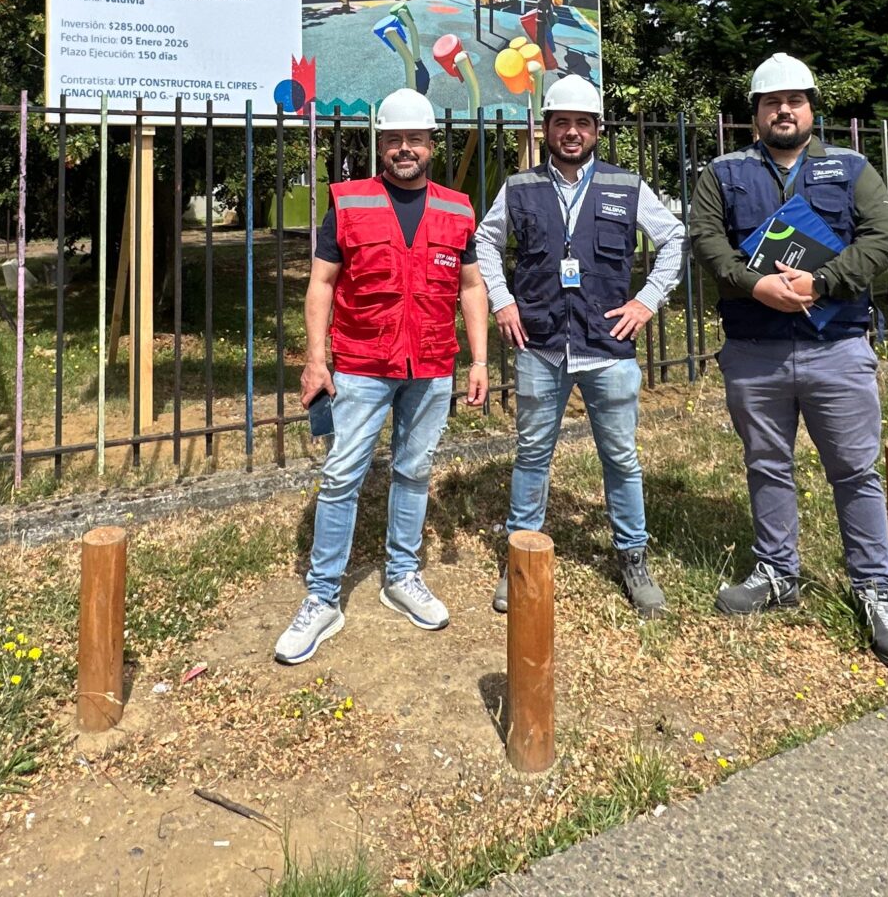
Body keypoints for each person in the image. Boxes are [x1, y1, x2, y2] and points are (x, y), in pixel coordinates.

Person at [688, 53, 888, 670]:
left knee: (854, 470)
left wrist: (821, 282)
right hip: (754, 350)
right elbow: (706, 240)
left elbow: (885, 236)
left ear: (812, 107)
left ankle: (874, 590)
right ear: (755, 114)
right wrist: (750, 284)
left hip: (836, 347)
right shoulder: (723, 173)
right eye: (771, 102)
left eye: (794, 100)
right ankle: (777, 573)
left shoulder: (851, 167)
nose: (783, 110)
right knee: (767, 463)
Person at [273, 88, 491, 665]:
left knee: (414, 469)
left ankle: (403, 575)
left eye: (414, 139)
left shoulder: (457, 208)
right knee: (343, 474)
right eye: (393, 139)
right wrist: (316, 360)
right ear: (380, 144)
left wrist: (480, 360)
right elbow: (320, 285)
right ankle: (322, 598)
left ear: (430, 145)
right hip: (362, 365)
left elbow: (471, 288)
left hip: (431, 364)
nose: (404, 149)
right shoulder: (347, 203)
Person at [473, 75, 685, 618]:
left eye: (582, 124)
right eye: (561, 122)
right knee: (532, 455)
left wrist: (646, 302)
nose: (571, 132)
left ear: (596, 130)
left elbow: (674, 238)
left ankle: (632, 557)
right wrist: (501, 300)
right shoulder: (520, 188)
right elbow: (485, 240)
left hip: (607, 346)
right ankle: (519, 558)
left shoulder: (625, 185)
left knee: (620, 457)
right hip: (541, 344)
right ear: (546, 128)